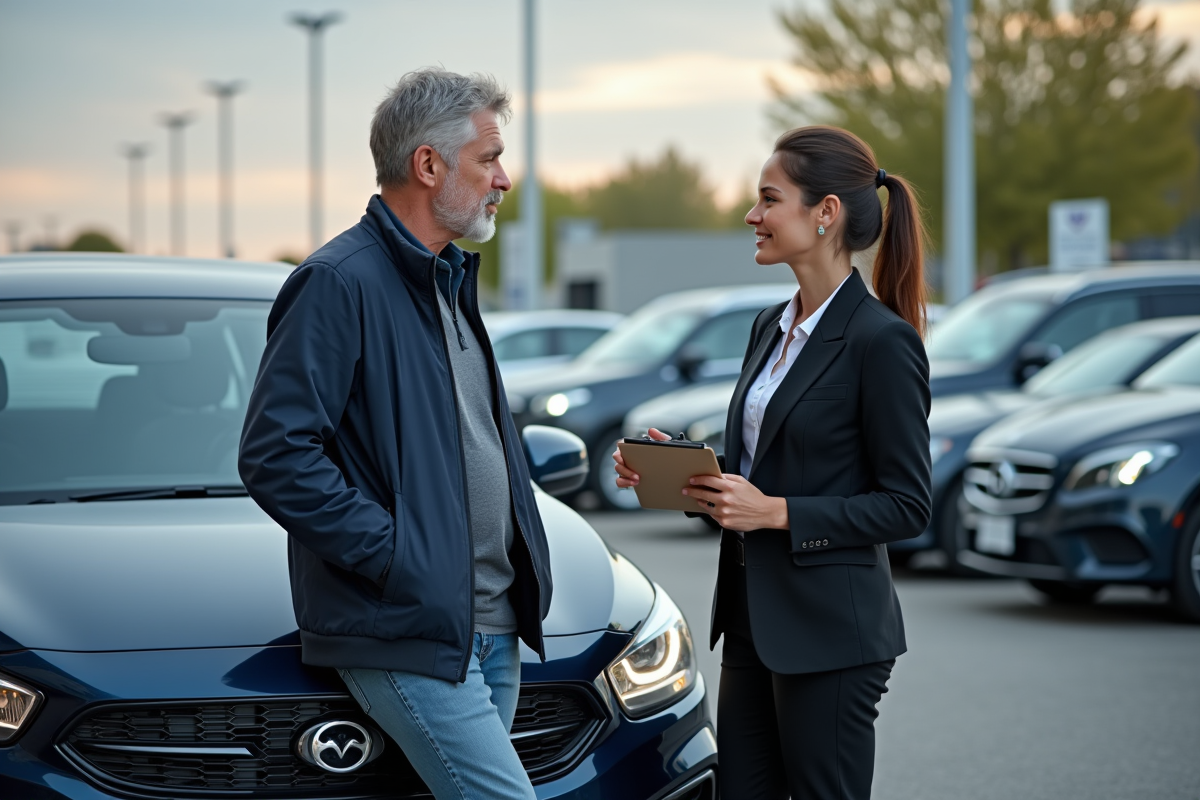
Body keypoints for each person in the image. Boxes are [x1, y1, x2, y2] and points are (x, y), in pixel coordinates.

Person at [239, 68, 551, 800]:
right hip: (408, 624)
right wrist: (396, 557)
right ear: (429, 165)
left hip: (490, 623)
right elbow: (276, 455)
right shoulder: (339, 283)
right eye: (489, 159)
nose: (503, 178)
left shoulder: (449, 281)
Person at [613, 125, 931, 800]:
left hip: (831, 636)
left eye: (768, 199)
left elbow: (907, 504)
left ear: (825, 213)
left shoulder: (882, 343)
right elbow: (767, 463)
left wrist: (777, 513)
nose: (752, 216)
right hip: (754, 620)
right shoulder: (768, 326)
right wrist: (677, 472)